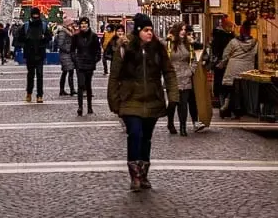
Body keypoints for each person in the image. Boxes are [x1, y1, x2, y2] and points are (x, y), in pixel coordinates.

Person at [108, 13, 177, 193]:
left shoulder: (158, 48)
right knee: (135, 134)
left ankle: (144, 173)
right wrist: (114, 102)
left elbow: (169, 72)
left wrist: (173, 96)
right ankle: (135, 176)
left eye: (151, 30)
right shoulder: (124, 48)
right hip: (130, 100)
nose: (150, 33)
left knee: (146, 138)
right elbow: (114, 76)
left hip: (152, 99)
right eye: (146, 30)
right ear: (138, 30)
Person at [219, 22, 258, 118]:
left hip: (233, 69)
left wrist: (222, 64)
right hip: (247, 69)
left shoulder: (233, 42)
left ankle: (226, 108)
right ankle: (243, 109)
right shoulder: (255, 43)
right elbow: (256, 55)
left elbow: (225, 55)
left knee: (230, 90)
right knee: (244, 90)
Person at [167, 22, 198, 135]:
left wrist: (191, 71)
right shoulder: (169, 44)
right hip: (173, 77)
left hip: (185, 77)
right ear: (176, 30)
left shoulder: (188, 44)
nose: (183, 31)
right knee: (172, 103)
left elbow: (194, 59)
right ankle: (170, 122)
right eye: (181, 29)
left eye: (185, 29)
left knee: (183, 104)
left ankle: (183, 128)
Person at [70, 16, 101, 116]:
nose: (83, 25)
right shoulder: (76, 36)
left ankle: (89, 106)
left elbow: (98, 50)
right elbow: (72, 50)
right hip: (80, 64)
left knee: (88, 85)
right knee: (80, 85)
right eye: (81, 24)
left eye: (85, 24)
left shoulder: (94, 36)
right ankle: (80, 107)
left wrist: (95, 60)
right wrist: (75, 60)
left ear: (88, 24)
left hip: (90, 63)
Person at [19, 9, 51, 103]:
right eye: (34, 14)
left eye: (37, 14)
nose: (36, 16)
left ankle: (39, 95)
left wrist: (44, 38)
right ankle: (29, 93)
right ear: (32, 15)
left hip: (40, 53)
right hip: (29, 53)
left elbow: (49, 37)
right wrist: (26, 40)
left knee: (40, 75)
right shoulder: (26, 25)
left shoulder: (43, 25)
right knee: (30, 75)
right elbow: (20, 38)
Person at [208, 16, 235, 106]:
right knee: (223, 84)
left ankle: (223, 103)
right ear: (225, 26)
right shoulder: (223, 36)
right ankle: (223, 103)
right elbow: (218, 51)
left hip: (222, 63)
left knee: (222, 84)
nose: (231, 28)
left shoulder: (220, 35)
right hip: (222, 63)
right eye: (230, 26)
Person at [56, 21, 77, 96]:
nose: (72, 25)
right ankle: (72, 90)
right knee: (69, 71)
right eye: (70, 24)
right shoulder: (63, 32)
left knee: (66, 72)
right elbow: (60, 44)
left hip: (69, 54)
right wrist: (69, 49)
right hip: (65, 55)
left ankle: (62, 90)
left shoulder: (70, 31)